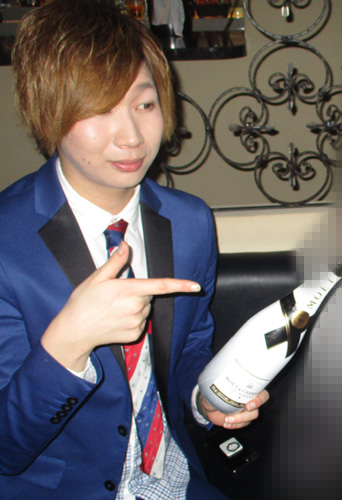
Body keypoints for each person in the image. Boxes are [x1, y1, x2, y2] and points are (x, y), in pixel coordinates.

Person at [0, 1, 268, 498]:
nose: (131, 137)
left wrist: (206, 398)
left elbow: (188, 348)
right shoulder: (5, 241)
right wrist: (67, 344)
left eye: (144, 105)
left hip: (173, 478)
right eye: (99, 109)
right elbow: (6, 449)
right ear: (50, 111)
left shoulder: (189, 223)